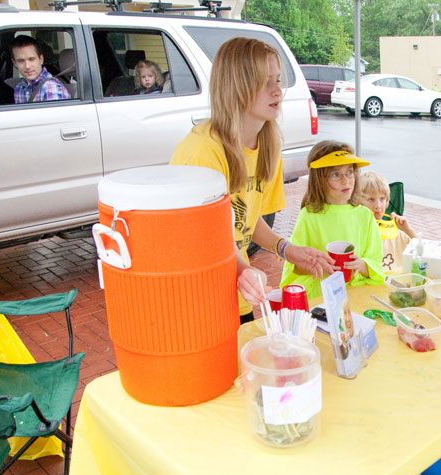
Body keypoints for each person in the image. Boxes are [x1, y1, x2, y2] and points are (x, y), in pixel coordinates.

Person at [170, 37, 333, 323]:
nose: (277, 91)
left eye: (278, 80)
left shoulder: (268, 145)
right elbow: (202, 234)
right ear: (237, 85)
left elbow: (248, 220)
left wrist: (287, 250)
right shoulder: (202, 149)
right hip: (195, 298)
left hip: (235, 293)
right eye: (264, 81)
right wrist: (242, 270)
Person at [280, 140, 384, 299]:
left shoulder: (365, 216)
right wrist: (315, 264)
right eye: (336, 174)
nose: (346, 180)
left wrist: (363, 265)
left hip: (355, 295)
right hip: (321, 296)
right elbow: (294, 267)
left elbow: (376, 262)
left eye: (349, 172)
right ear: (320, 180)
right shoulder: (309, 216)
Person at [356, 171, 418, 273]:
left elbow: (423, 251)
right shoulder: (357, 231)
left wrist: (408, 230)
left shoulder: (395, 231)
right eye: (371, 199)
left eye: (382, 199)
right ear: (358, 203)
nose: (378, 206)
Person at [10, 35, 70, 104]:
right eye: (21, 61)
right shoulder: (19, 88)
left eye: (31, 59)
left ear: (41, 59)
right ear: (14, 63)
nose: (27, 66)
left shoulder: (51, 89)